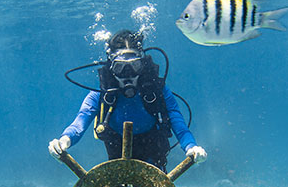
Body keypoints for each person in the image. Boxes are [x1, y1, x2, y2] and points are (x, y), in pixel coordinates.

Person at [48, 29, 207, 172]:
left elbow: (177, 121)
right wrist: (64, 140)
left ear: (142, 65)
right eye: (120, 67)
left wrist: (191, 146)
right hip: (116, 150)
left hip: (152, 149)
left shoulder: (157, 90)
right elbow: (80, 121)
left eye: (134, 66)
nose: (128, 75)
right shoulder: (102, 93)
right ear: (111, 67)